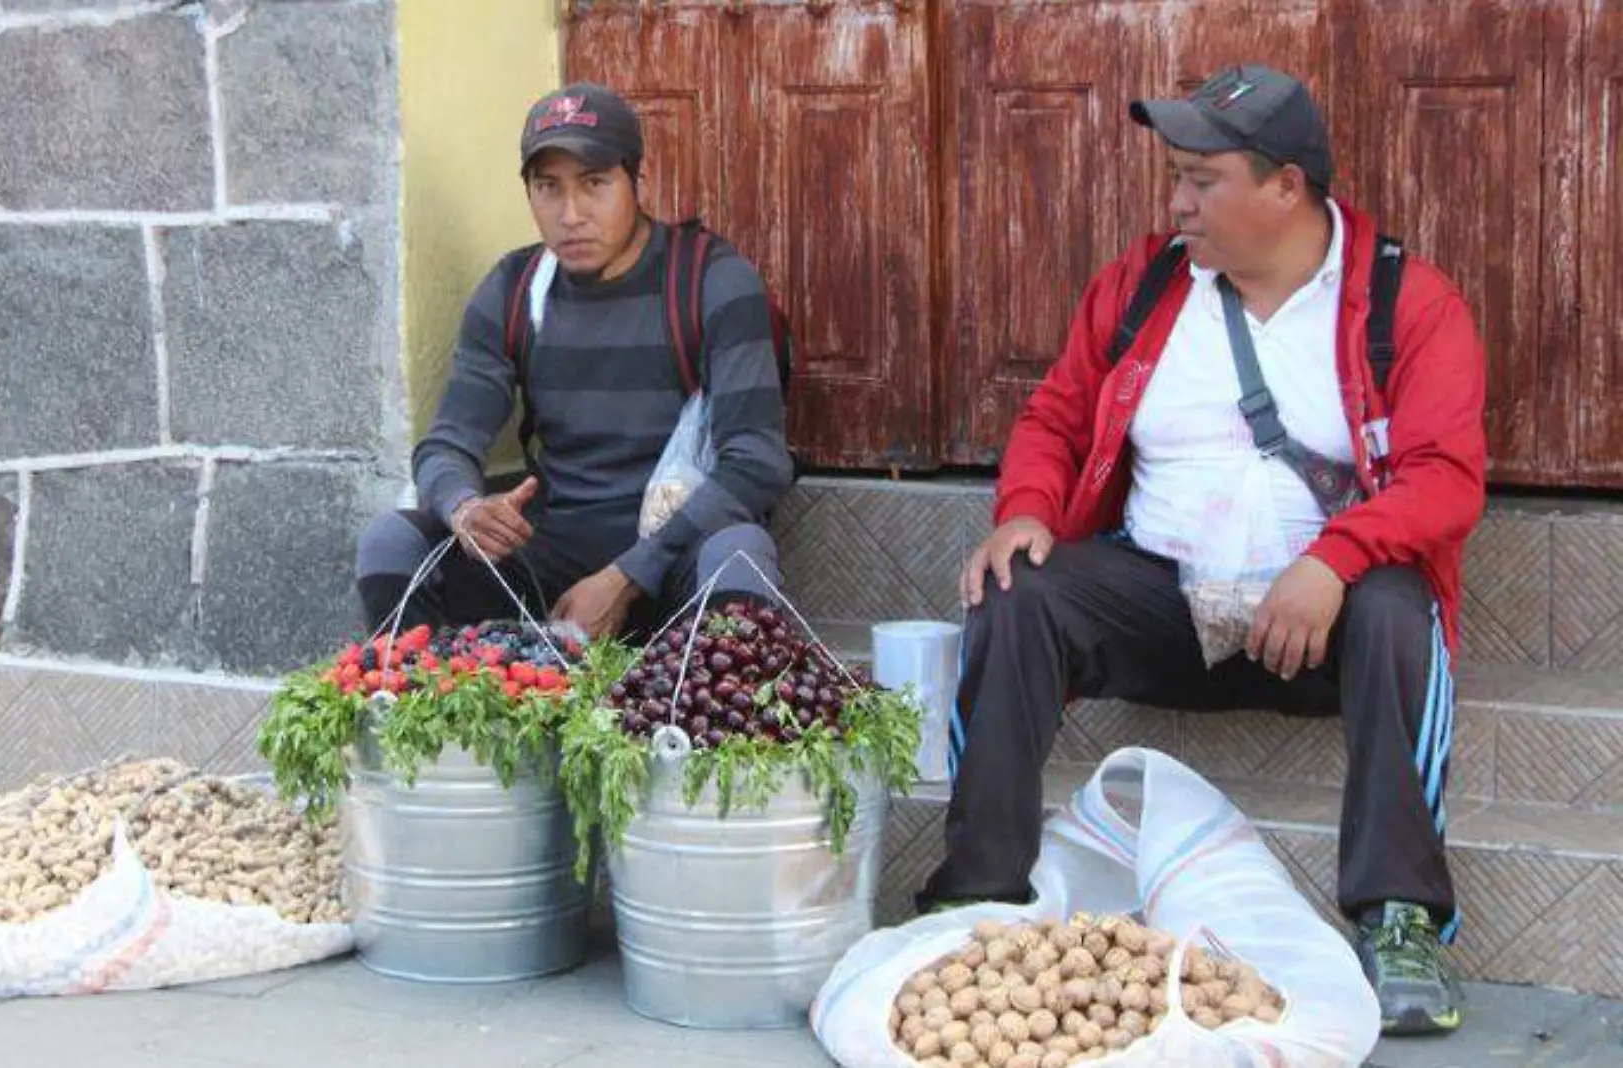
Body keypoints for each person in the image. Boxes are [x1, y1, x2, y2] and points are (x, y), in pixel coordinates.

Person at [922, 65, 1486, 1035]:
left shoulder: (1406, 304)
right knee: (1019, 590)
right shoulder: (1143, 287)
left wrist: (1333, 560)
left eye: (1200, 179)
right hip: (1161, 600)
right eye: (1173, 176)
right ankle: (979, 892)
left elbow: (1444, 478)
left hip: (1320, 626)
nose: (1175, 201)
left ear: (1285, 187)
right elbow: (1055, 415)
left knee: (1399, 605)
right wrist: (1025, 508)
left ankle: (1399, 918)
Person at [356, 83, 793, 640]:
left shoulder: (711, 281)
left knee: (742, 554)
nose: (571, 214)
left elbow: (757, 462)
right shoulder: (512, 290)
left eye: (594, 184)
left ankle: (714, 719)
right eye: (548, 188)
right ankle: (425, 710)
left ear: (637, 182)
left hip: (676, 557)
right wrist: (465, 509)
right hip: (551, 569)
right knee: (392, 543)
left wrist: (626, 576)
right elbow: (446, 445)